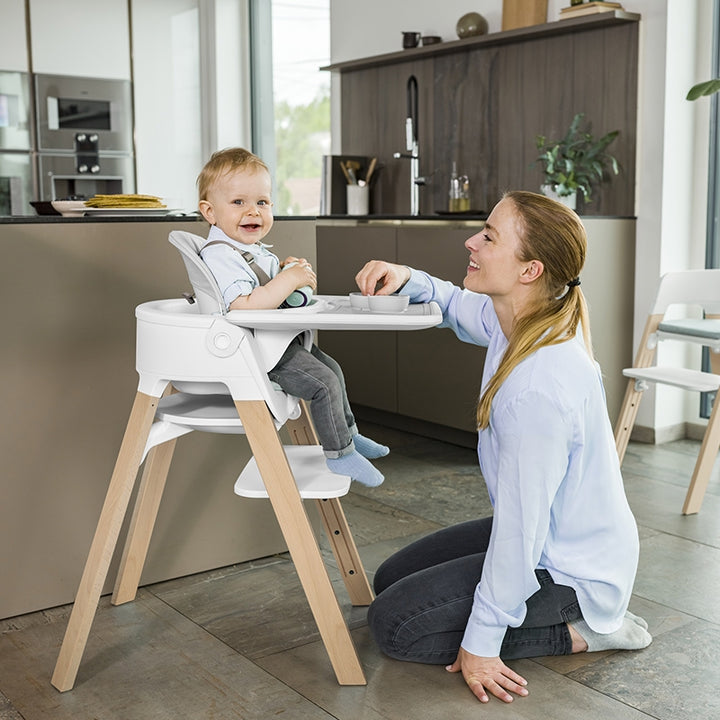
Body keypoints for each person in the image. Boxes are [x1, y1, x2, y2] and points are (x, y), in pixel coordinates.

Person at [354, 191, 651, 703]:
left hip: (570, 567)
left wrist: (484, 643)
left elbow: (519, 530)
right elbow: (454, 304)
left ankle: (594, 627)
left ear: (530, 270)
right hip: (550, 533)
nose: (471, 240)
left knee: (396, 626)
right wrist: (409, 276)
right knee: (390, 578)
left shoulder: (539, 386)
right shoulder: (522, 318)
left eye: (489, 236)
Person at [197, 147, 388, 486]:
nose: (253, 211)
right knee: (322, 384)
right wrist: (288, 281)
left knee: (333, 370)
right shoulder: (221, 255)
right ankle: (340, 455)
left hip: (278, 342)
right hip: (260, 353)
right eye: (238, 202)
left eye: (262, 202)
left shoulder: (246, 250)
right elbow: (243, 306)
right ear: (210, 212)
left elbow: (268, 293)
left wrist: (285, 271)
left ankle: (349, 435)